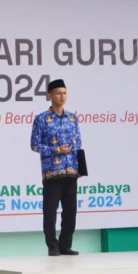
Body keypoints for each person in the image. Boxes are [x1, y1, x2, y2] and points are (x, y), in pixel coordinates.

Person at [30, 79, 83, 256]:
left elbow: (78, 144)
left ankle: (65, 245)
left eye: (65, 93)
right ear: (50, 95)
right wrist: (56, 150)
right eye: (58, 93)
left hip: (71, 172)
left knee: (70, 212)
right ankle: (52, 246)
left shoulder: (72, 118)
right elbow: (35, 145)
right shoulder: (42, 119)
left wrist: (80, 168)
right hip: (52, 173)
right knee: (50, 212)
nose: (62, 96)